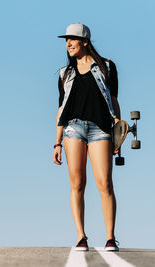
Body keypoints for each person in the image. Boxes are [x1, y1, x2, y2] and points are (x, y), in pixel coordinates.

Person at [52, 23, 121, 252]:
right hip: (73, 129)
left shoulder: (107, 68)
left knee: (104, 183)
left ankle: (110, 237)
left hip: (100, 129)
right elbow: (61, 109)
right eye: (66, 40)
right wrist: (57, 142)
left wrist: (117, 133)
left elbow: (113, 101)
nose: (68, 44)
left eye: (72, 39)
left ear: (85, 42)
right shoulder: (65, 74)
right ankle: (81, 236)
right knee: (77, 184)